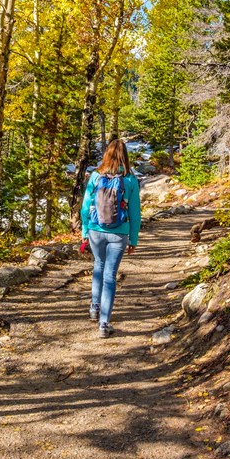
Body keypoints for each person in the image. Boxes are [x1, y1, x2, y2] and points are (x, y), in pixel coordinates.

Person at [80, 138, 142, 338]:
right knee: (110, 276)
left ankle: (93, 307)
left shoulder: (96, 177)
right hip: (119, 232)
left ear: (107, 154)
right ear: (125, 156)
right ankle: (104, 323)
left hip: (95, 230)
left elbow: (84, 208)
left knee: (98, 265)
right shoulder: (130, 180)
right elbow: (135, 213)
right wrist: (133, 240)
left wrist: (84, 232)